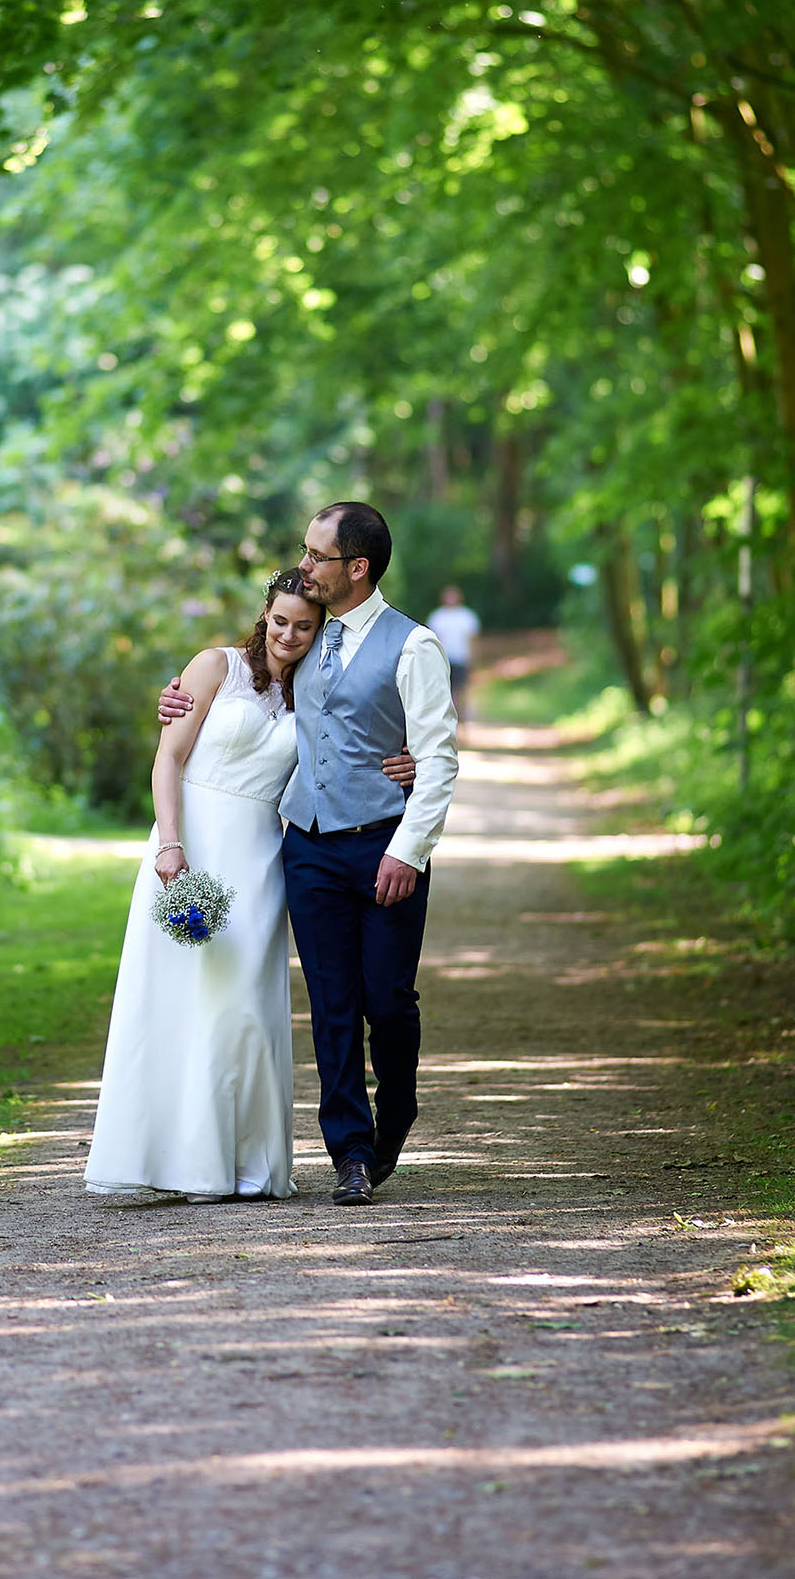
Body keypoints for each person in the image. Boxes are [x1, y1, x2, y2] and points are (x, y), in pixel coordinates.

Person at [160, 504, 459, 1207]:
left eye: (316, 555)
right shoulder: (310, 634)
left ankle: (398, 1113)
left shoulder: (413, 646)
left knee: (387, 1001)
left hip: (386, 848)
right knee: (331, 1005)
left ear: (356, 567)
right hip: (308, 849)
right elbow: (255, 680)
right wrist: (178, 700)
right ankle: (350, 1154)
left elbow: (439, 758)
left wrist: (408, 850)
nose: (303, 566)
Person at [85, 570, 414, 1203]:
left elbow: (368, 740)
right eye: (280, 620)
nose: (289, 635)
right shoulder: (215, 666)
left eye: (305, 626)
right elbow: (169, 758)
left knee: (241, 1010)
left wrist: (410, 760)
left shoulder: (318, 690)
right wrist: (171, 844)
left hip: (262, 858)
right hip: (191, 848)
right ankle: (170, 1159)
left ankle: (239, 1163)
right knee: (176, 997)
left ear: (321, 631)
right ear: (264, 614)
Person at [427, 584, 480, 719]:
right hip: (444, 659)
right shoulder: (437, 617)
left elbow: (472, 640)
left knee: (462, 689)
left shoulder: (467, 616)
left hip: (461, 658)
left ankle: (462, 716)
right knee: (445, 689)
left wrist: (472, 658)